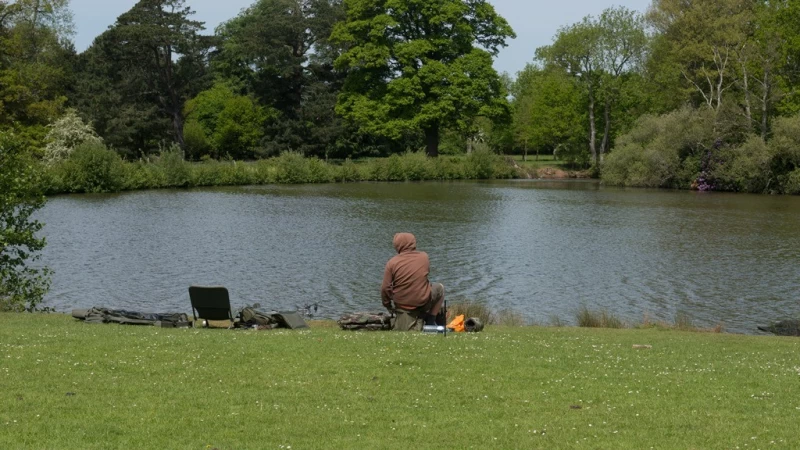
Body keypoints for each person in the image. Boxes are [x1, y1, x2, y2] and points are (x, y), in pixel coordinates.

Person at [380, 232, 445, 331]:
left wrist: (388, 305)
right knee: (440, 288)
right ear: (413, 243)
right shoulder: (424, 257)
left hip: (401, 305)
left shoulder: (392, 262)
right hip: (422, 302)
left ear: (398, 245)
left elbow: (385, 288)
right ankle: (431, 320)